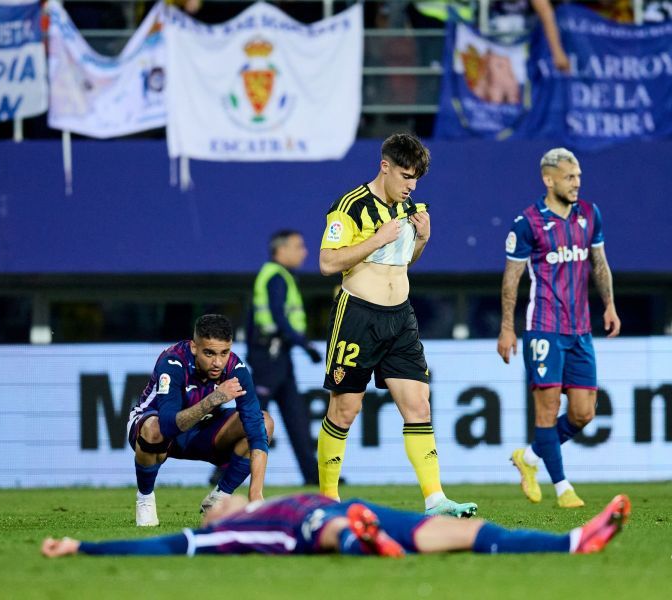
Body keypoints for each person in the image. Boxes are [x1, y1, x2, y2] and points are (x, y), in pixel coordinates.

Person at [317, 133, 476, 518]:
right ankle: (327, 499)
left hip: (400, 318)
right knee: (345, 410)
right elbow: (327, 263)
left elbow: (402, 262)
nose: (411, 185)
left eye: (416, 179)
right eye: (405, 176)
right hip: (358, 317)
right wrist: (374, 240)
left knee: (419, 405)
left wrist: (422, 239)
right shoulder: (349, 207)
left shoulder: (410, 208)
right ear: (384, 166)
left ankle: (435, 500)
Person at [497, 148, 621, 508]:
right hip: (544, 329)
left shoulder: (589, 214)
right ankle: (563, 487)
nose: (577, 183)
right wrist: (508, 328)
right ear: (549, 180)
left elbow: (600, 263)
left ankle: (530, 459)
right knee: (547, 412)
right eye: (570, 177)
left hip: (581, 330)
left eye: (579, 177)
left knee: (584, 413)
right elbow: (511, 279)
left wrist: (610, 305)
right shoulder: (528, 223)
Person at [41, 492, 631, 558]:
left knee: (467, 535)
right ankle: (361, 541)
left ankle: (572, 542)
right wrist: (82, 547)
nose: (213, 504)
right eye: (209, 502)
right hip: (317, 526)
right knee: (327, 527)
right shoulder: (224, 534)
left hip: (364, 511)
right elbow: (165, 547)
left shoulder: (248, 504)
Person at [127, 314, 273, 526]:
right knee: (153, 429)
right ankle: (145, 499)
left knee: (264, 421)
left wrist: (256, 494)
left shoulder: (235, 369)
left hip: (202, 433)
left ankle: (219, 497)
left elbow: (257, 432)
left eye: (224, 353)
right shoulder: (173, 362)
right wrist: (215, 398)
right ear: (194, 347)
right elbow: (168, 426)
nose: (218, 362)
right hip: (159, 435)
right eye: (209, 353)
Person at [246, 230, 323, 485]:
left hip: (278, 355)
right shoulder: (276, 277)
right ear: (281, 250)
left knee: (296, 417)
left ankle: (313, 477)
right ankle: (223, 470)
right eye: (298, 246)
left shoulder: (276, 276)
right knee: (255, 417)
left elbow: (252, 316)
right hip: (270, 355)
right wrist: (306, 344)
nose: (304, 252)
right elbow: (279, 317)